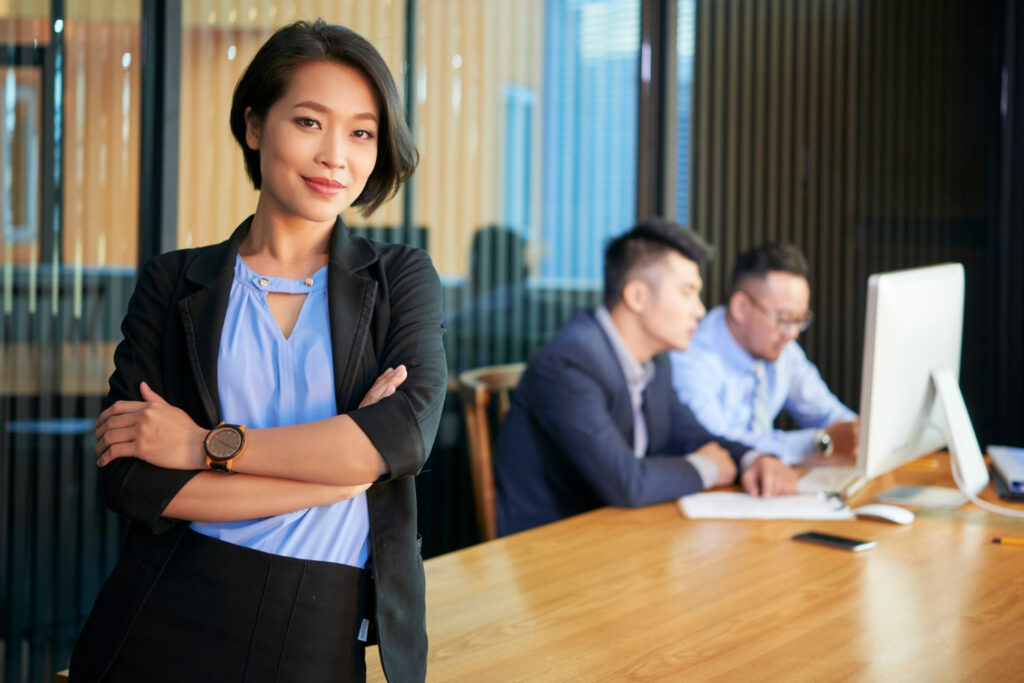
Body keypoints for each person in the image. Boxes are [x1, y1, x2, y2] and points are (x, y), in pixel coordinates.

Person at [70, 21, 446, 682]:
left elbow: (402, 438)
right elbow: (130, 477)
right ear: (253, 126)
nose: (337, 155)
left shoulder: (400, 278)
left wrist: (203, 447)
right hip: (165, 610)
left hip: (320, 617)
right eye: (308, 121)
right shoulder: (174, 280)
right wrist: (341, 472)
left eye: (361, 132)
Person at [492, 219, 798, 536]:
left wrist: (753, 459)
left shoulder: (655, 362)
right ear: (637, 296)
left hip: (618, 536)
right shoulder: (569, 363)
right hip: (549, 550)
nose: (700, 310)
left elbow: (692, 434)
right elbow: (626, 482)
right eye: (687, 292)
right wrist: (705, 467)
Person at [671, 243, 857, 466]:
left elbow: (828, 412)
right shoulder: (690, 357)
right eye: (783, 319)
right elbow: (719, 445)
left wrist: (855, 431)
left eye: (800, 320)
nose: (793, 333)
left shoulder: (784, 351)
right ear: (740, 307)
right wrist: (820, 442)